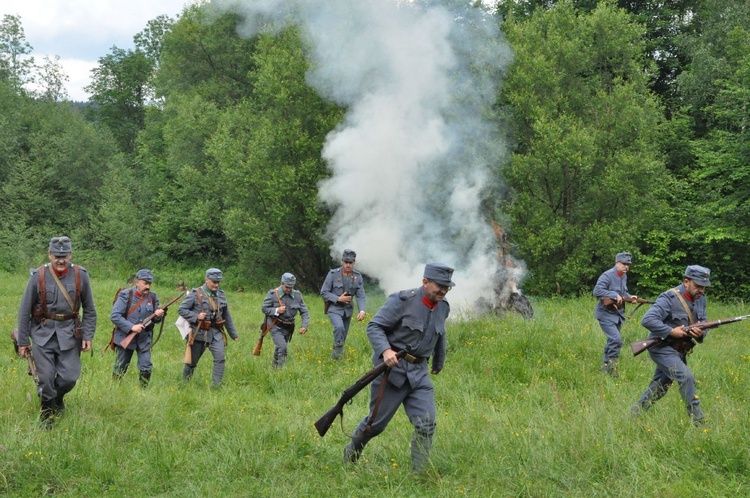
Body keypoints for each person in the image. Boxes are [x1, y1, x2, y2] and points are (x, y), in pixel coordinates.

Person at [344, 263, 453, 473]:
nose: (443, 291)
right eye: (440, 286)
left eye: (447, 287)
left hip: (419, 374)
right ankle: (350, 456)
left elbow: (440, 333)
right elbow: (375, 326)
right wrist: (385, 351)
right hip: (392, 373)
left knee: (426, 424)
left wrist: (439, 362)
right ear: (425, 282)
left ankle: (419, 474)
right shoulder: (402, 300)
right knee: (374, 426)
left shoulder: (443, 306)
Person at [16, 236, 97, 427]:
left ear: (70, 255)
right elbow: (24, 309)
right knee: (44, 379)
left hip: (70, 335)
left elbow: (90, 309)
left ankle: (57, 398)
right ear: (49, 254)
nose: (60, 260)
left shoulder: (81, 275)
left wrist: (87, 335)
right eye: (56, 255)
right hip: (42, 334)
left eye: (64, 255)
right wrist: (23, 341)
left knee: (69, 378)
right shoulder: (38, 276)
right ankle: (47, 413)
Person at [630, 265, 711, 425]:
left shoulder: (701, 299)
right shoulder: (669, 298)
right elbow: (647, 320)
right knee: (686, 377)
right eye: (698, 286)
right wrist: (670, 331)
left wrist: (701, 334)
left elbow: (704, 324)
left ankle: (634, 415)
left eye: (704, 287)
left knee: (660, 387)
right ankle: (699, 423)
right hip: (661, 348)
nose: (701, 290)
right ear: (686, 282)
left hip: (678, 350)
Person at [178, 268, 238, 387]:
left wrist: (233, 334)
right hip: (199, 333)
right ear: (206, 280)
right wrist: (196, 316)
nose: (216, 284)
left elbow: (227, 315)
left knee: (220, 359)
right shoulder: (196, 294)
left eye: (218, 282)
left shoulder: (221, 294)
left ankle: (217, 386)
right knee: (191, 362)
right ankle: (184, 385)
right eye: (214, 282)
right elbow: (181, 310)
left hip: (216, 332)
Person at [109, 269, 165, 387]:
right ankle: (114, 388)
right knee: (121, 366)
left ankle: (143, 391)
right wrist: (131, 327)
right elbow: (114, 316)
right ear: (137, 282)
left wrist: (159, 316)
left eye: (149, 284)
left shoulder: (153, 297)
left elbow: (156, 320)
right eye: (145, 283)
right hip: (126, 336)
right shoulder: (126, 295)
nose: (148, 286)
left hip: (144, 338)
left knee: (146, 366)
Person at [593, 252, 635, 377]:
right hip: (605, 314)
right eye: (624, 264)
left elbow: (623, 292)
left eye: (628, 264)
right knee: (616, 340)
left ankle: (606, 370)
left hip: (617, 315)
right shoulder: (607, 275)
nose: (626, 267)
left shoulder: (623, 276)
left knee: (612, 341)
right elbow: (597, 291)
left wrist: (629, 297)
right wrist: (613, 295)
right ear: (617, 263)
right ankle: (612, 369)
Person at [320, 249, 367, 360]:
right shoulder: (333, 274)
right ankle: (338, 357)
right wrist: (338, 298)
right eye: (346, 262)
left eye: (350, 262)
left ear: (354, 262)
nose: (348, 265)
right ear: (342, 261)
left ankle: (335, 357)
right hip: (334, 308)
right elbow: (324, 292)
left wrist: (362, 310)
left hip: (348, 311)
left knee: (343, 336)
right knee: (339, 328)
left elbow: (360, 295)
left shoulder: (357, 277)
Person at [261, 273, 309, 369]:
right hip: (274, 324)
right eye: (287, 287)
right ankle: (281, 371)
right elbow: (264, 308)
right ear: (281, 283)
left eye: (291, 287)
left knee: (280, 347)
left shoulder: (297, 295)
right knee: (283, 347)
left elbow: (304, 312)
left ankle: (274, 368)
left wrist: (304, 325)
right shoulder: (272, 294)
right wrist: (276, 310)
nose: (288, 289)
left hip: (288, 326)